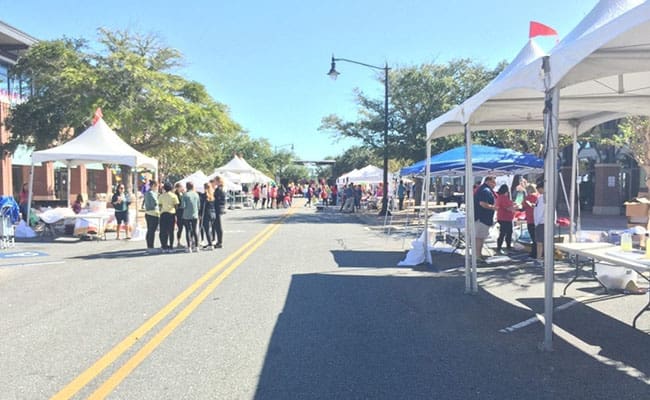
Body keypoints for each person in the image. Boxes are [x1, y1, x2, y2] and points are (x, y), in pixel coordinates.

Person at [473, 176, 497, 259]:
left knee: (481, 237)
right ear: (488, 181)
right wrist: (493, 207)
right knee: (479, 238)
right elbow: (483, 203)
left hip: (483, 218)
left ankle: (478, 254)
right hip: (482, 218)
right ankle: (477, 255)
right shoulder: (485, 190)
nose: (495, 184)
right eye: (494, 182)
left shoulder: (484, 189)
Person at [495, 184, 516, 254]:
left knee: (507, 232)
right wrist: (514, 208)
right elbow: (507, 207)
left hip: (504, 218)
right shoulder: (503, 197)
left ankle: (506, 246)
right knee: (504, 233)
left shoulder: (500, 197)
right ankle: (501, 247)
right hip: (505, 218)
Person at [158, 182, 179, 253]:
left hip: (163, 214)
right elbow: (176, 206)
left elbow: (160, 206)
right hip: (171, 214)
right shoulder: (174, 196)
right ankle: (171, 246)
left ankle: (164, 246)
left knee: (163, 230)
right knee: (171, 231)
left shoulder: (161, 196)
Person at [181, 181, 200, 252]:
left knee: (188, 230)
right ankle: (196, 246)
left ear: (186, 187)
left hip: (186, 215)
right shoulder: (196, 194)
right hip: (195, 214)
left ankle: (189, 246)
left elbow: (183, 206)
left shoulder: (185, 195)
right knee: (195, 230)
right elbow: (199, 205)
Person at [522, 184, 539, 259]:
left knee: (533, 238)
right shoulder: (538, 197)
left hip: (530, 219)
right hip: (538, 219)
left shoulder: (528, 197)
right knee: (537, 238)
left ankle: (534, 253)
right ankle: (538, 252)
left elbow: (522, 206)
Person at [143, 180, 160, 252]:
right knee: (152, 230)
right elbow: (156, 202)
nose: (157, 188)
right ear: (153, 186)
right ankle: (151, 246)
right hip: (153, 213)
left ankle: (149, 245)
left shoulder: (147, 193)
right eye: (156, 186)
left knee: (149, 230)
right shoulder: (151, 193)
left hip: (148, 213)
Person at [199, 182, 217, 249]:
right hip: (213, 213)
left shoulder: (204, 196)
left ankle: (210, 244)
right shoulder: (212, 195)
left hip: (206, 214)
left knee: (207, 229)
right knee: (210, 229)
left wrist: (200, 214)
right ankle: (211, 241)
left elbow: (202, 206)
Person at [533, 181, 546, 265]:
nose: (538, 191)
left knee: (539, 242)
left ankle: (539, 258)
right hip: (545, 222)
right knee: (544, 242)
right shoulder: (547, 197)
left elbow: (540, 211)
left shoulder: (541, 198)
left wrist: (536, 222)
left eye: (538, 189)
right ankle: (543, 258)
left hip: (541, 222)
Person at [213, 176, 226, 248]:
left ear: (218, 181)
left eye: (215, 181)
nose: (214, 182)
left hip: (217, 209)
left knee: (218, 225)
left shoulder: (219, 189)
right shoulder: (219, 189)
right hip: (218, 208)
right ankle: (218, 241)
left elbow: (219, 200)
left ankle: (220, 242)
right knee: (216, 225)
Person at [174, 183, 185, 248]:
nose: (182, 188)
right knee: (180, 228)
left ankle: (189, 241)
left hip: (183, 212)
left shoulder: (183, 193)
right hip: (178, 212)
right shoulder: (175, 194)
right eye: (181, 187)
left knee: (185, 227)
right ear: (177, 188)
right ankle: (178, 242)